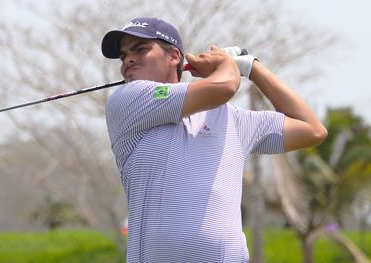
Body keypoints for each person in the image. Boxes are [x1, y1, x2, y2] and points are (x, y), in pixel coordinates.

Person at [101, 17, 327, 262]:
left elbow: (312, 130)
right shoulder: (127, 100)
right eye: (123, 56)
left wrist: (252, 68)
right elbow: (225, 87)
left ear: (174, 56)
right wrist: (227, 64)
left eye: (140, 49)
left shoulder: (236, 121)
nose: (128, 61)